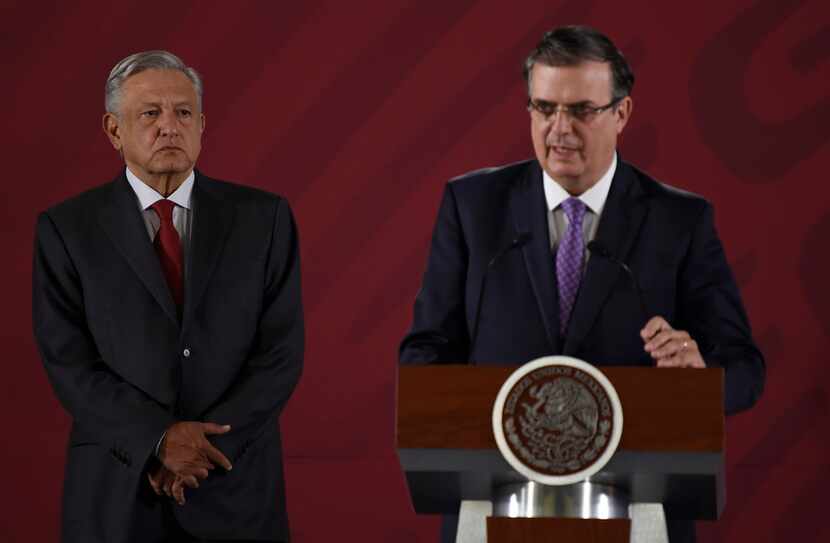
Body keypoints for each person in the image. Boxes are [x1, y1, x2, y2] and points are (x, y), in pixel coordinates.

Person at [399, 26, 765, 543]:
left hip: (638, 511)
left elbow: (746, 370)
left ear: (622, 113)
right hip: (495, 509)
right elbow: (423, 354)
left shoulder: (679, 221)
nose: (559, 129)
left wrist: (701, 373)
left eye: (581, 110)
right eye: (544, 108)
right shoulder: (473, 208)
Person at [32, 50, 303, 543]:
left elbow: (280, 354)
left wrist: (200, 452)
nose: (169, 127)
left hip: (235, 486)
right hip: (119, 490)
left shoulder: (264, 219)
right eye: (150, 113)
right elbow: (69, 362)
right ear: (114, 130)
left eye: (182, 112)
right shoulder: (67, 229)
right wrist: (158, 440)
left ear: (201, 124)